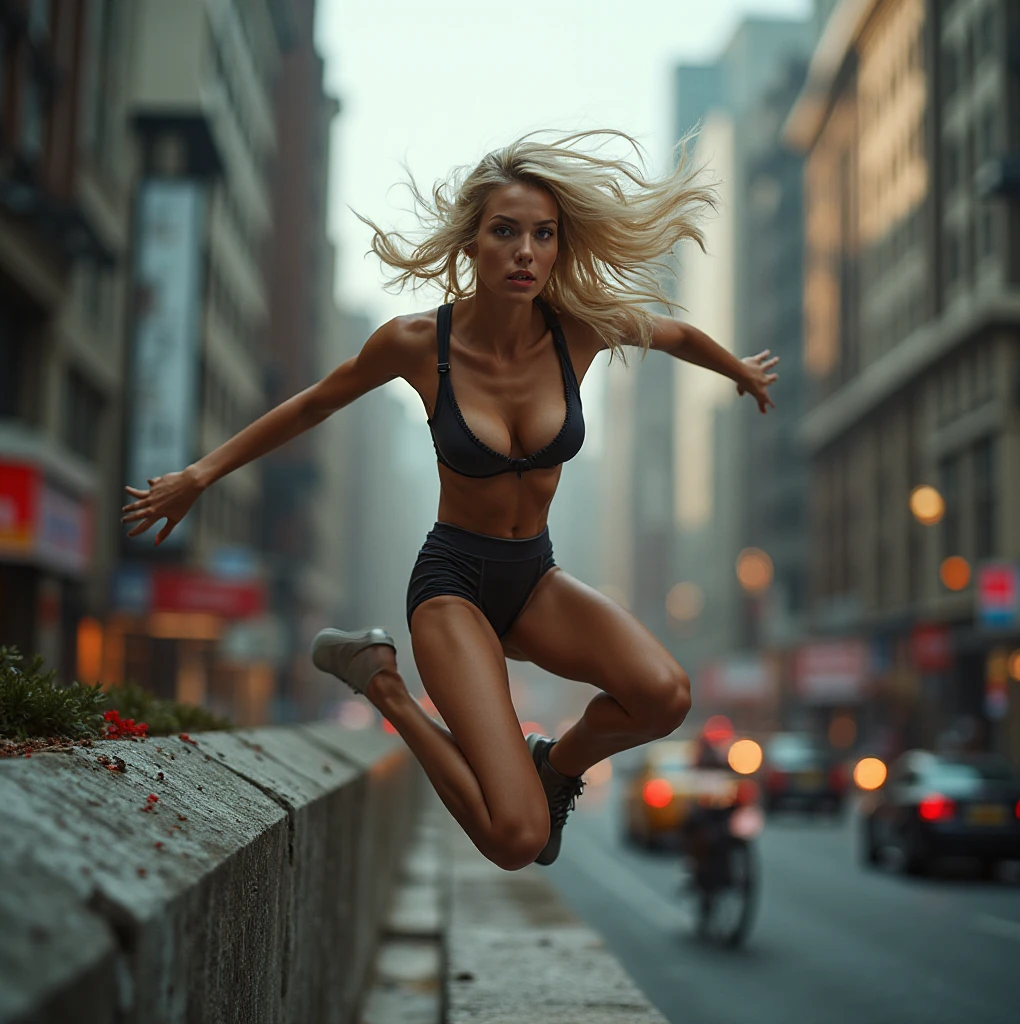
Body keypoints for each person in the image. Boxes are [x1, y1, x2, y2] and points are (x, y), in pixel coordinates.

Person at [121, 129, 778, 872]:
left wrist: (739, 372)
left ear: (560, 248)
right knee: (516, 840)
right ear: (472, 244)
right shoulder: (416, 343)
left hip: (535, 578)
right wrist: (200, 475)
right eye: (505, 232)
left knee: (666, 694)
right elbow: (312, 405)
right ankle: (385, 685)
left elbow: (677, 333)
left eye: (543, 235)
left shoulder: (580, 333)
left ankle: (556, 768)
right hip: (453, 585)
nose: (526, 251)